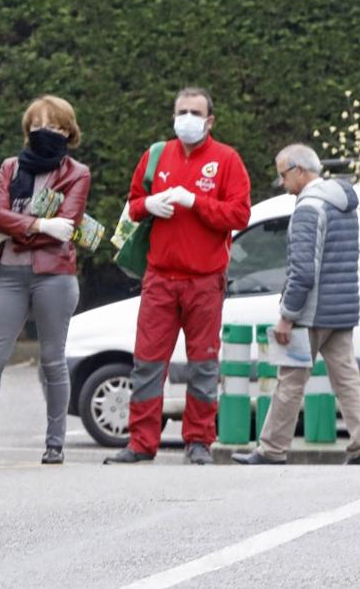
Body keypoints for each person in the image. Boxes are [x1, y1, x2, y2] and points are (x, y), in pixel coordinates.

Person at [106, 87, 251, 465]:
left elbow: (239, 215)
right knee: (147, 361)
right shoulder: (157, 155)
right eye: (181, 111)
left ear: (210, 120)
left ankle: (198, 441)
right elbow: (134, 205)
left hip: (205, 280)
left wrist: (196, 202)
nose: (186, 117)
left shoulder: (226, 160)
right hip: (160, 277)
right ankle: (141, 442)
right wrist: (147, 204)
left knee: (203, 361)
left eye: (194, 111)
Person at [0, 95, 91, 465]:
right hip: (12, 274)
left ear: (67, 131)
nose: (41, 132)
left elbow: (68, 227)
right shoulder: (11, 167)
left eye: (50, 126)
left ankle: (55, 443)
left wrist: (20, 227)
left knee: (52, 361)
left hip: (55, 275)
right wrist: (37, 224)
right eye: (34, 127)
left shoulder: (77, 173)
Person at [234, 144, 360, 465]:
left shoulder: (309, 208)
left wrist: (287, 316)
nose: (282, 184)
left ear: (300, 170)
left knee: (290, 381)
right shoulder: (343, 203)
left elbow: (302, 269)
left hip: (310, 313)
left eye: (283, 175)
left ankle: (271, 449)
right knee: (348, 379)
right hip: (341, 309)